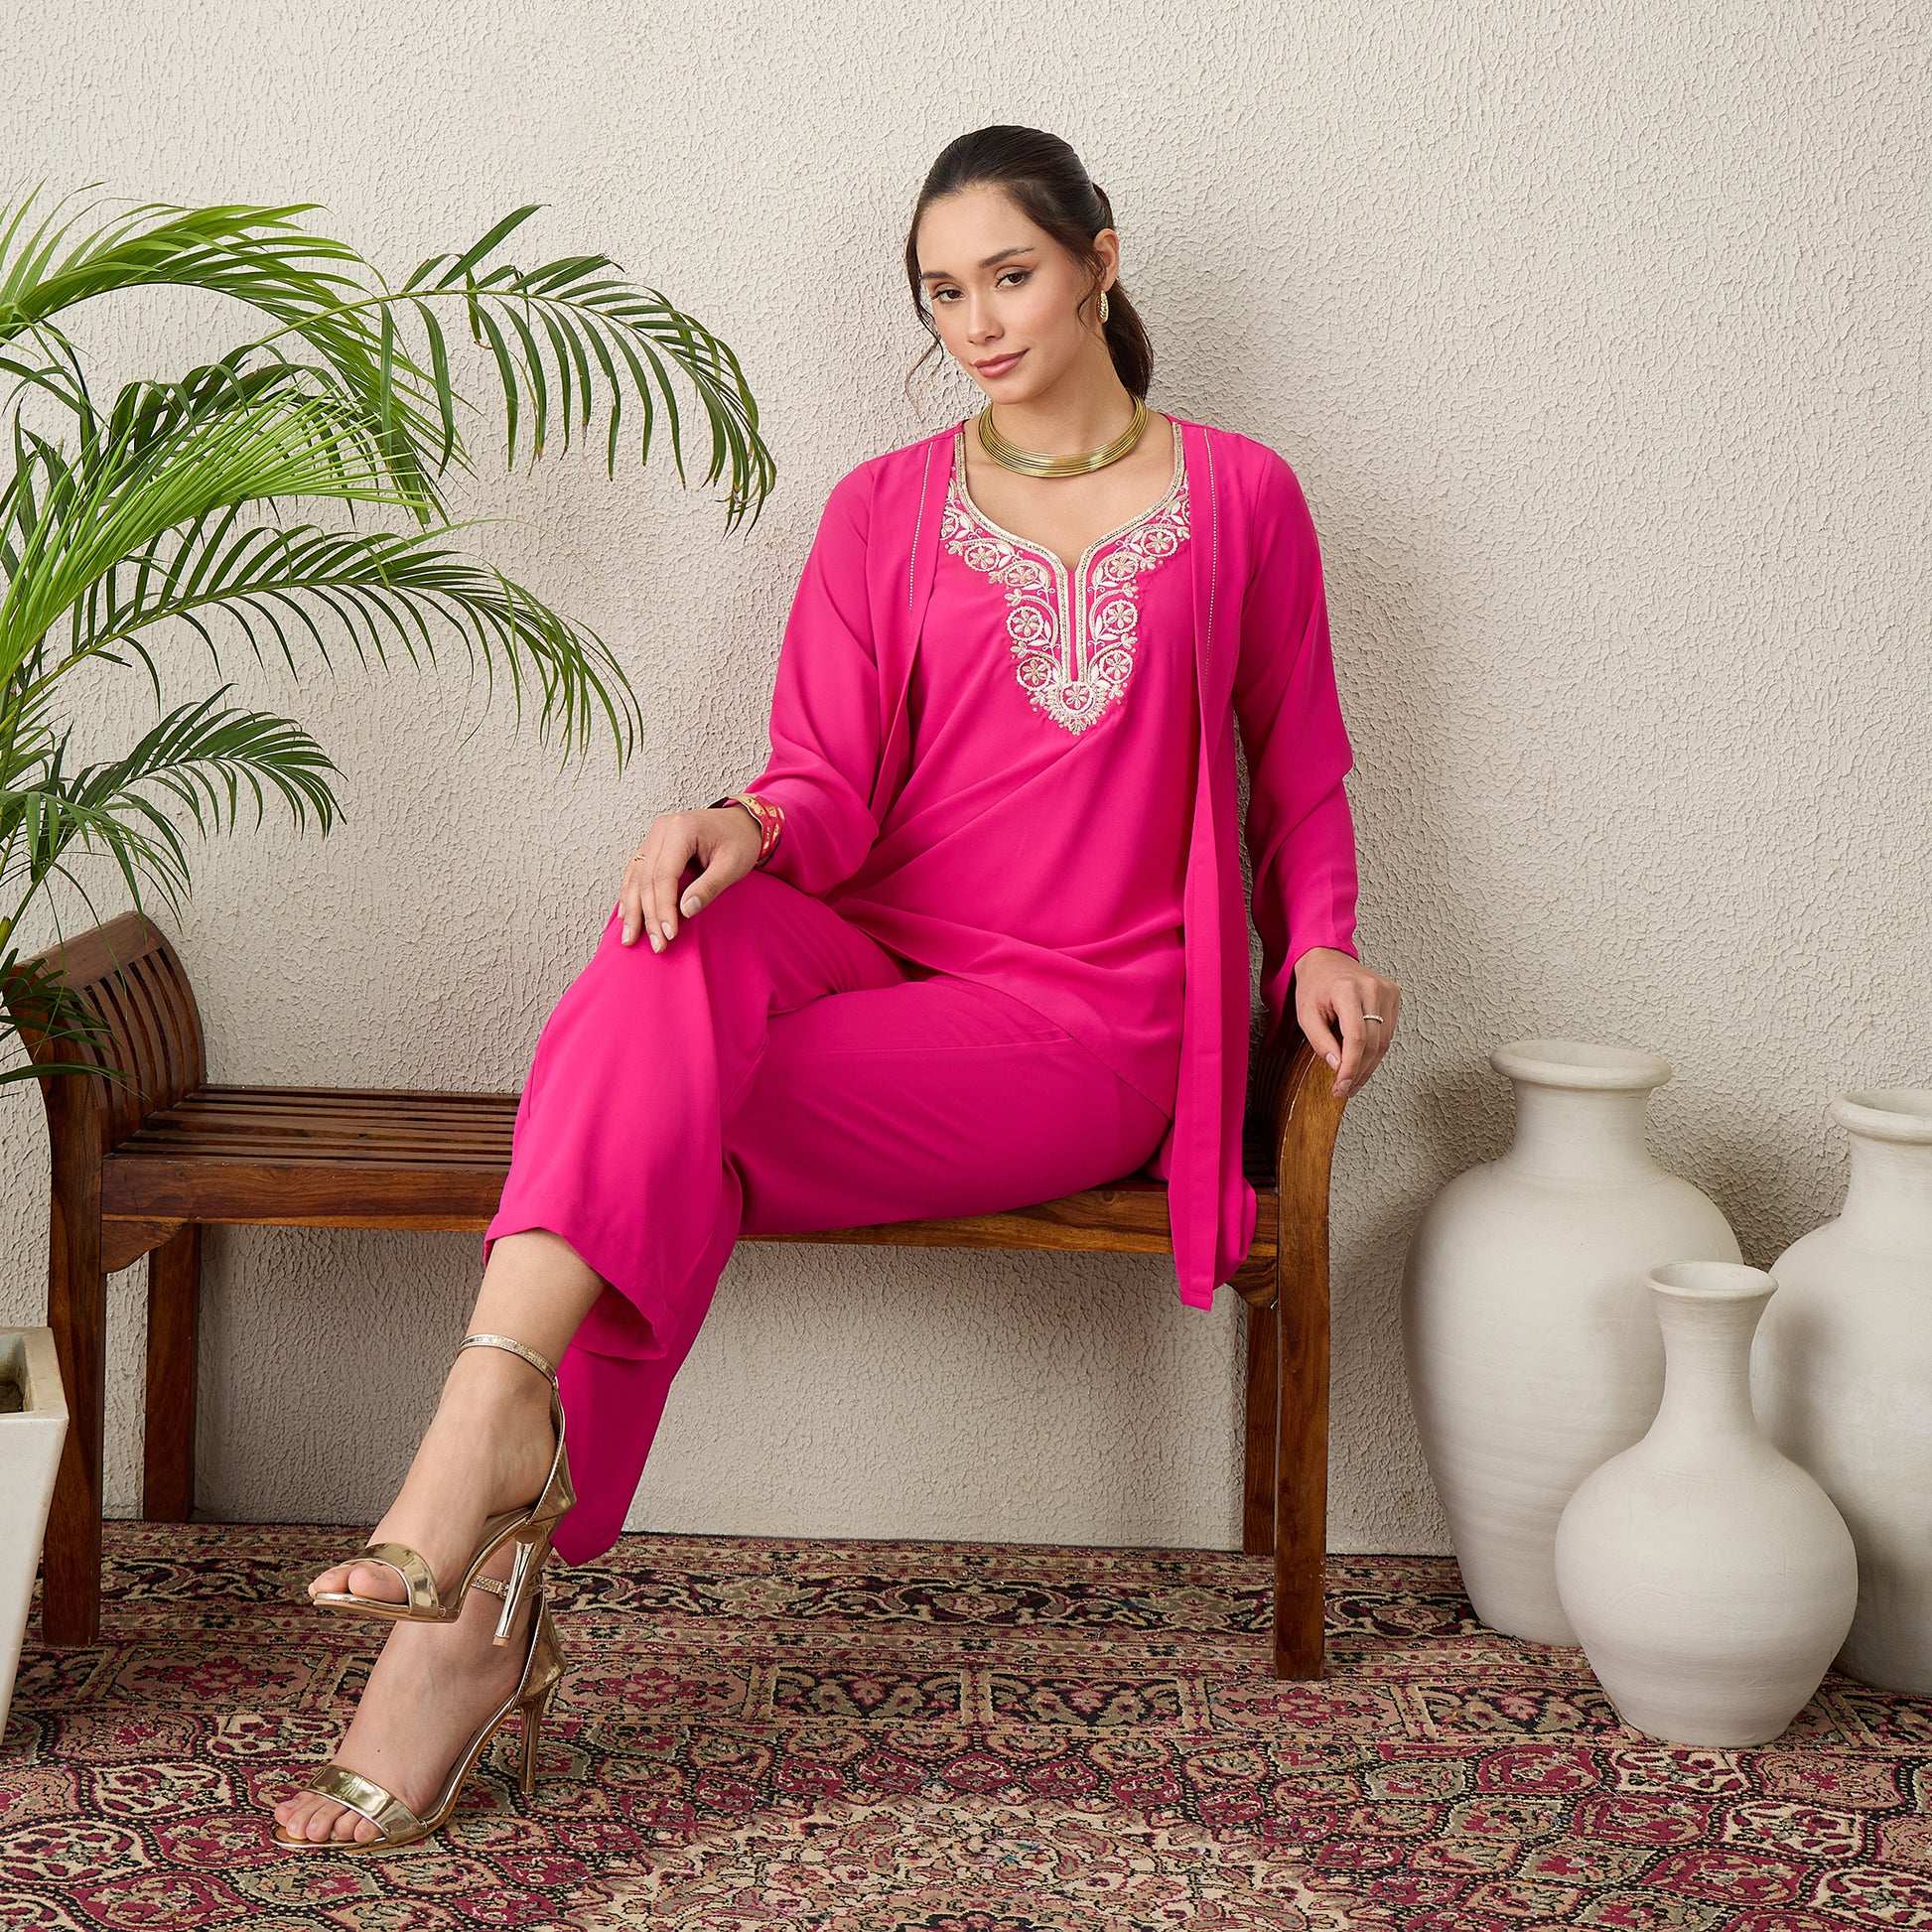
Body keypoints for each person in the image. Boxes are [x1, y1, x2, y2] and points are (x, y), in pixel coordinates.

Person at [270, 123, 1403, 1851]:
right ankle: (488, 1432)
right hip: (882, 943)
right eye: (941, 293)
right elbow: (826, 778)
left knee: (645, 1113)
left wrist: (1319, 932)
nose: (976, 323)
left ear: (1099, 260)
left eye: (1009, 276)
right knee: (662, 944)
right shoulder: (883, 505)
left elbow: (1298, 766)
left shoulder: (1242, 494)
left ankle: (462, 1619)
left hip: (1090, 1022)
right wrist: (735, 820)